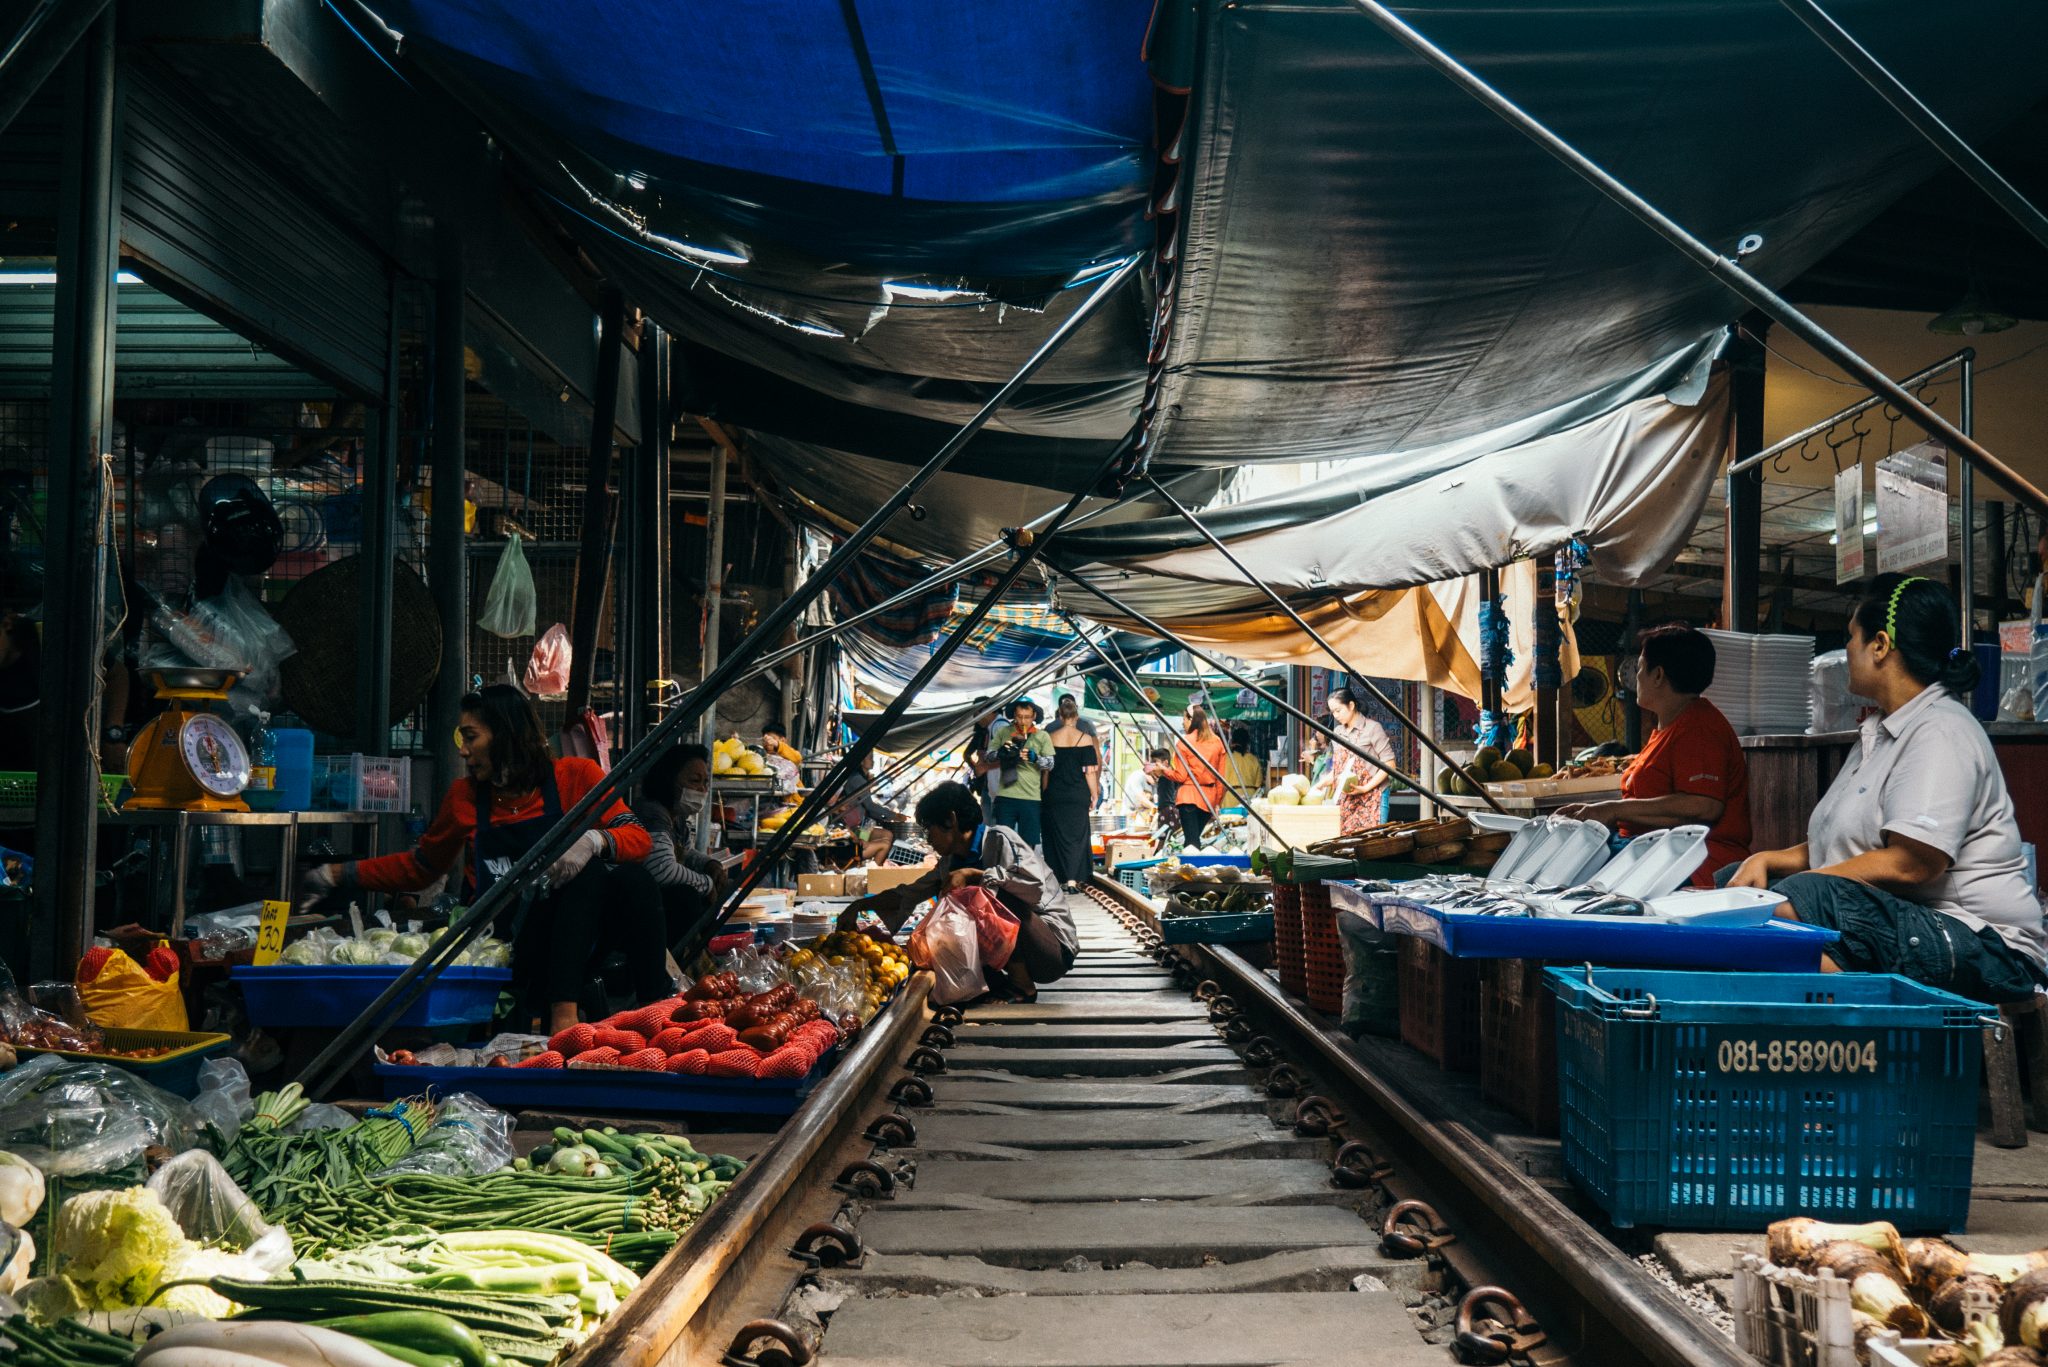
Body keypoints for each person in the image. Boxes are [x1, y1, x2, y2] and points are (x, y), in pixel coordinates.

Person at [1729, 574, 2046, 1002]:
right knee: (1738, 884)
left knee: (1799, 898)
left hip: (1985, 947)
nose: (1848, 650)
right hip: (1911, 926)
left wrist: (1805, 884)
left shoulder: (1941, 730)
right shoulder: (1879, 733)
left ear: (1880, 645)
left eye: (1852, 638)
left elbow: (1913, 863)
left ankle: (1841, 1030)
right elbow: (1839, 845)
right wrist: (1767, 860)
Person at [307, 684, 666, 1032]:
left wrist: (593, 839)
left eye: (471, 737)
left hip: (580, 938)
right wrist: (336, 874)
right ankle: (563, 1016)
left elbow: (638, 839)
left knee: (630, 879)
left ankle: (657, 1009)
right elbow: (421, 868)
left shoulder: (575, 777)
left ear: (507, 735)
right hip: (507, 942)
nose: (463, 751)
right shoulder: (465, 797)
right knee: (586, 878)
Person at [837, 781, 1076, 1001]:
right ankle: (996, 986)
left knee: (977, 895)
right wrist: (858, 906)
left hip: (1050, 949)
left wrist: (975, 875)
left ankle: (1023, 987)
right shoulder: (950, 863)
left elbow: (1032, 888)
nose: (929, 840)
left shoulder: (1000, 839)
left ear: (951, 820)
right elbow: (908, 894)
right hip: (1020, 950)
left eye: (930, 829)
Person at [1558, 625, 1751, 885]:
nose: (1636, 676)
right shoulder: (1668, 725)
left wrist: (1614, 809)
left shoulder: (1699, 728)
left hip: (1693, 863)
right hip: (1649, 851)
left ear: (1658, 675)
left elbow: (1704, 805)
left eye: (1639, 667)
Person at [634, 742, 729, 952]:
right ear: (668, 780)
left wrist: (710, 864)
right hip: (637, 911)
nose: (703, 790)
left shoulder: (676, 817)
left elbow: (685, 852)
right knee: (686, 897)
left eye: (705, 782)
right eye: (695, 781)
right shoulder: (652, 813)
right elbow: (663, 870)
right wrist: (707, 884)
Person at [977, 698, 1054, 845]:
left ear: (1034, 717)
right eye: (1019, 716)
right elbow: (988, 756)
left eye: (1027, 717)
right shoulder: (1003, 732)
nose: (1023, 721)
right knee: (1004, 841)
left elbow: (1050, 764)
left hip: (1031, 798)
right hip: (1006, 796)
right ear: (1013, 715)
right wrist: (1000, 753)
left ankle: (1024, 868)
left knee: (1028, 843)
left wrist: (1035, 758)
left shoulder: (1042, 736)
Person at [1043, 694, 1101, 888]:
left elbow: (1046, 771)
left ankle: (1059, 877)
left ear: (1060, 716)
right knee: (1078, 837)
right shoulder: (1085, 739)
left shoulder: (1050, 738)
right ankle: (1073, 879)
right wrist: (1094, 795)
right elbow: (1090, 772)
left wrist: (1044, 791)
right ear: (1076, 717)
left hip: (1055, 794)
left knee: (1057, 836)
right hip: (1078, 794)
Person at [1152, 704, 1230, 848]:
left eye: (1184, 719)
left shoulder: (1184, 743)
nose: (1182, 722)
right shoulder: (1217, 742)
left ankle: (1191, 869)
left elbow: (1180, 776)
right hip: (1209, 799)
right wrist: (1217, 803)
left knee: (1191, 842)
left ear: (1191, 720)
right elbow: (1221, 779)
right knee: (1194, 840)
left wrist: (1163, 770)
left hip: (1188, 798)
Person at [1327, 688, 1396, 835]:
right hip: (1347, 800)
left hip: (1373, 796)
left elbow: (1390, 764)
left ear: (1351, 705)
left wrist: (1365, 788)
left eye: (1338, 710)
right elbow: (1339, 769)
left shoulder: (1372, 728)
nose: (1335, 715)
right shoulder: (1338, 732)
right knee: (1347, 844)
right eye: (1332, 712)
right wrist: (1320, 784)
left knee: (1372, 843)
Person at [1226, 727, 1265, 798]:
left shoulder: (1226, 757)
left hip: (1230, 797)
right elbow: (1258, 785)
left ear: (1232, 741)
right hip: (1250, 798)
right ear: (1247, 742)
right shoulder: (1254, 759)